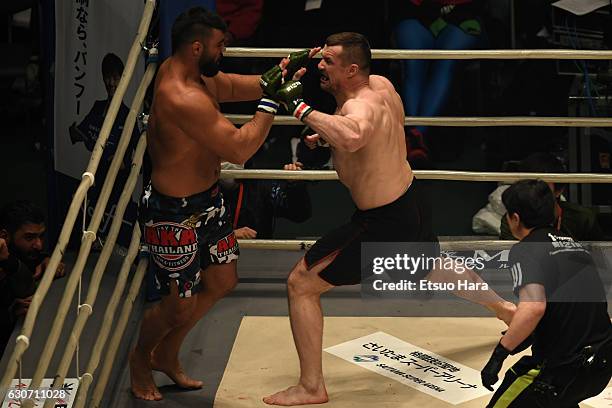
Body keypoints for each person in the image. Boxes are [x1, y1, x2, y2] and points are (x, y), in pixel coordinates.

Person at [263, 32, 515, 406]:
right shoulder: (380, 85)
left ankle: (312, 387)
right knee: (431, 266)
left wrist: (300, 109)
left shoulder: (357, 109)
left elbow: (354, 134)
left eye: (327, 60)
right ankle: (505, 309)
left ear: (351, 69)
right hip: (410, 200)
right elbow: (364, 134)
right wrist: (323, 134)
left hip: (382, 222)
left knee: (301, 283)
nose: (319, 65)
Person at [129, 6, 318, 401]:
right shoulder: (180, 95)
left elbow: (231, 85)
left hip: (209, 202)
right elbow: (241, 147)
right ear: (197, 47)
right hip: (173, 215)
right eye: (220, 45)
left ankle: (167, 352)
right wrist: (272, 103)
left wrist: (275, 77)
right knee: (176, 307)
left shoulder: (191, 71)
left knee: (222, 280)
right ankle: (140, 360)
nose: (225, 51)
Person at [481, 179, 612, 407]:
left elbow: (534, 308)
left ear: (515, 218)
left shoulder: (526, 250)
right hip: (601, 363)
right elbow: (569, 309)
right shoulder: (574, 244)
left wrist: (499, 355)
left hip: (561, 370)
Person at [0, 201, 66, 357]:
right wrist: (7, 316)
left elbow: (25, 270)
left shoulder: (21, 253)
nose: (39, 245)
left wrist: (47, 259)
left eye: (41, 236)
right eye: (30, 237)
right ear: (4, 236)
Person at [500, 153, 604, 241]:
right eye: (527, 183)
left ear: (559, 190)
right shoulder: (513, 217)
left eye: (542, 186)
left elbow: (600, 258)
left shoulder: (582, 218)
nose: (533, 191)